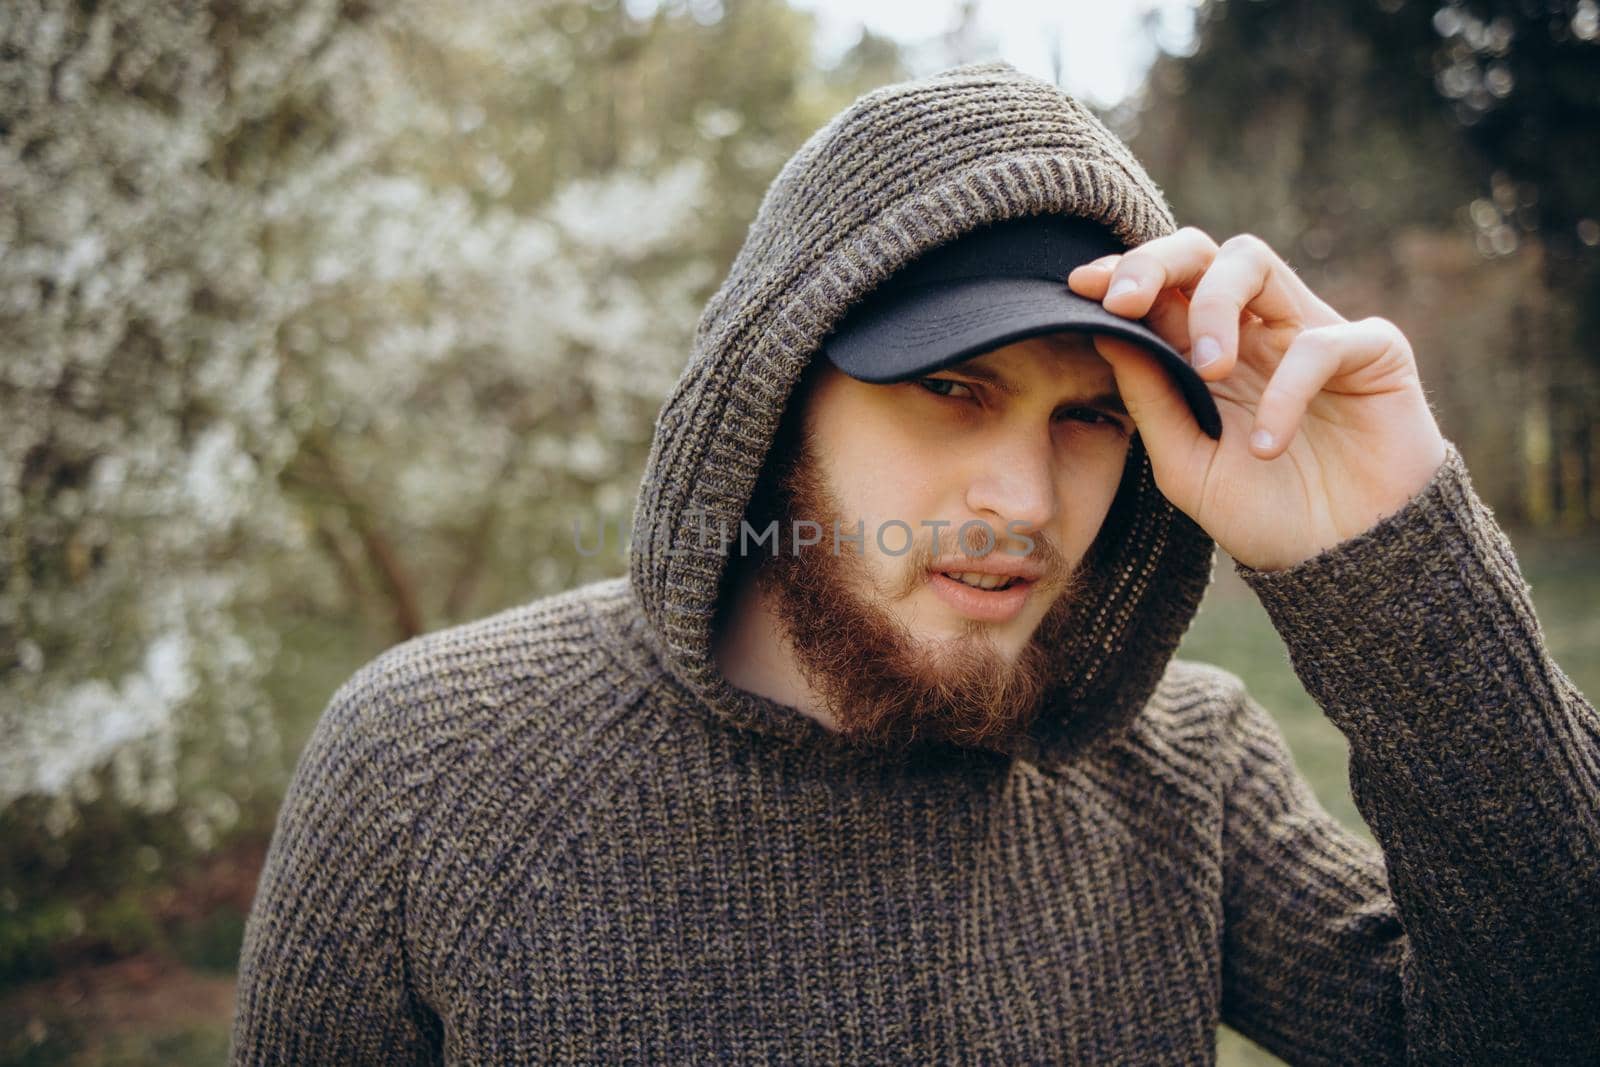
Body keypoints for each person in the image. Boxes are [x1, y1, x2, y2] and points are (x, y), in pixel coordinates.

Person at [231, 62, 1599, 1065]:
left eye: (1091, 417)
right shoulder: (425, 771)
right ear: (774, 414)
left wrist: (1394, 548)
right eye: (951, 388)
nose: (1021, 498)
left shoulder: (1184, 770)